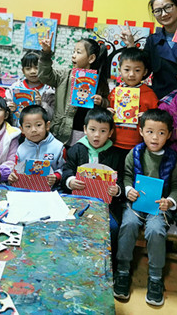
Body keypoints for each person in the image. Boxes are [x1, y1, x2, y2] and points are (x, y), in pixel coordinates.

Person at [114, 109, 177, 306]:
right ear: (141, 131)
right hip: (136, 204)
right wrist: (128, 190)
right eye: (150, 132)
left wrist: (169, 201)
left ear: (169, 135)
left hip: (159, 207)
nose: (155, 137)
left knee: (155, 230)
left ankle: (155, 276)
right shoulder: (135, 153)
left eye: (161, 133)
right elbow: (127, 176)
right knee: (128, 224)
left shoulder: (174, 158)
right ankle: (122, 270)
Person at [61, 108, 124, 262]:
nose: (97, 135)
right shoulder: (76, 150)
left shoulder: (116, 154)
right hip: (78, 201)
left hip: (105, 205)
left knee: (112, 227)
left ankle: (107, 262)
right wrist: (70, 181)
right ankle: (71, 257)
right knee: (68, 222)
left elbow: (122, 179)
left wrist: (117, 190)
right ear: (85, 129)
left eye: (103, 131)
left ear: (110, 133)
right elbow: (67, 170)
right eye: (92, 129)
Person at [38, 33, 110, 146]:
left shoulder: (99, 80)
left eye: (78, 52)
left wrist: (101, 102)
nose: (73, 56)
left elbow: (108, 104)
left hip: (87, 136)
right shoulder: (64, 76)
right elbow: (45, 76)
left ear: (91, 58)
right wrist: (46, 54)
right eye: (73, 51)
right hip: (61, 132)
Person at [107, 47, 159, 156]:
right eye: (127, 70)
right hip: (113, 142)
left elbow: (157, 119)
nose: (131, 74)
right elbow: (107, 112)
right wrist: (107, 112)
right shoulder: (115, 92)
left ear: (145, 72)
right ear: (119, 70)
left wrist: (147, 117)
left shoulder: (149, 94)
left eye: (137, 70)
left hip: (139, 145)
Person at [8, 105, 65, 189]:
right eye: (28, 126)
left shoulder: (58, 147)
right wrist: (12, 176)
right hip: (26, 189)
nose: (33, 130)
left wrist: (56, 177)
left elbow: (65, 169)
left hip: (52, 191)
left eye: (38, 125)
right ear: (22, 129)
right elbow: (16, 170)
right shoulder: (20, 149)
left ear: (47, 126)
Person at [5, 51, 55, 126]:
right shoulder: (14, 88)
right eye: (28, 69)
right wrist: (10, 108)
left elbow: (52, 116)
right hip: (17, 129)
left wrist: (42, 104)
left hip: (38, 131)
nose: (33, 72)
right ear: (23, 71)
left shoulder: (49, 90)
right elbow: (4, 110)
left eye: (37, 68)